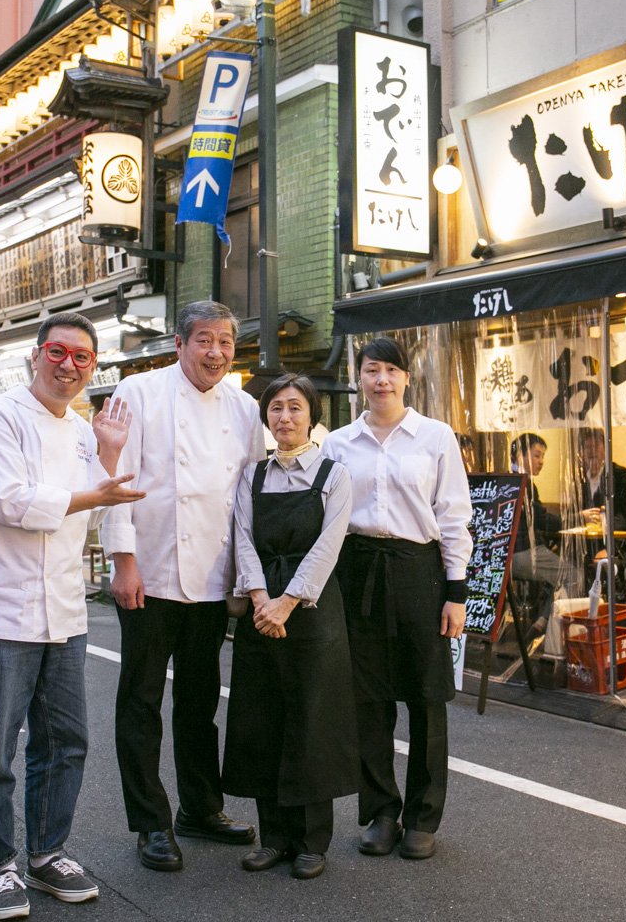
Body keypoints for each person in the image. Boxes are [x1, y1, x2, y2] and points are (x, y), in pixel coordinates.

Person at [0, 311, 143, 920]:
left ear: (92, 367)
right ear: (35, 356)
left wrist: (107, 454)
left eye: (83, 358)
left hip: (63, 609)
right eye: (59, 352)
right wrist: (100, 487)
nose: (69, 366)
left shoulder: (86, 431)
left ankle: (46, 852)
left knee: (65, 742)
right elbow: (12, 503)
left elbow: (88, 515)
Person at [103, 300, 263, 873]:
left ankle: (201, 808)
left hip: (212, 580)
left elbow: (248, 500)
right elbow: (115, 480)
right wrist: (123, 561)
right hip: (149, 571)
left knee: (199, 703)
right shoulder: (138, 392)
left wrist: (247, 581)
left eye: (225, 341)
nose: (216, 352)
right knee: (141, 701)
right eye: (204, 340)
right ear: (179, 343)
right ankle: (151, 821)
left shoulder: (246, 408)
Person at [323, 336, 473, 862]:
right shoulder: (338, 443)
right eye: (371, 370)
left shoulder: (434, 437)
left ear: (406, 378)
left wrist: (457, 593)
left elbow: (454, 515)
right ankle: (381, 812)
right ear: (358, 378)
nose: (381, 380)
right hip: (357, 571)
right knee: (368, 701)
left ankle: (423, 816)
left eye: (390, 370)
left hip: (420, 573)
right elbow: (326, 519)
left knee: (427, 698)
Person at [223, 374, 357, 881]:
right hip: (263, 607)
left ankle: (311, 841)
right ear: (265, 417)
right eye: (276, 408)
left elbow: (328, 546)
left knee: (312, 718)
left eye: (295, 408)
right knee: (262, 717)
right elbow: (242, 537)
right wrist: (259, 597)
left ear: (312, 416)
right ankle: (273, 837)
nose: (284, 417)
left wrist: (286, 602)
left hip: (312, 607)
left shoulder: (333, 473)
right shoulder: (252, 475)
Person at [508, 433, 574, 638]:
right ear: (520, 454)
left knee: (554, 574)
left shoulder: (505, 478)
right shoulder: (523, 482)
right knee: (574, 577)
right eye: (537, 455)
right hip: (523, 555)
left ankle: (541, 621)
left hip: (504, 558)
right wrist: (577, 518)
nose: (541, 461)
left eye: (543, 456)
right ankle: (548, 625)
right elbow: (541, 520)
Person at [576, 428, 626, 534]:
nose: (592, 450)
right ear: (581, 452)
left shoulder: (621, 475)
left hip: (619, 541)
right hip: (587, 540)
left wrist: (602, 521)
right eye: (587, 447)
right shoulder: (580, 480)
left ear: (605, 449)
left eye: (596, 445)